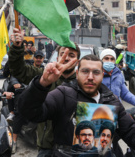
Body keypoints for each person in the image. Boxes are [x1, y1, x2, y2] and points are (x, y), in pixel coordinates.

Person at [18, 53, 135, 157]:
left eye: (96, 72)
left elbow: (130, 130)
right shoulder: (63, 94)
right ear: (77, 73)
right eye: (85, 71)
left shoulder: (111, 100)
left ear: (102, 75)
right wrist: (42, 83)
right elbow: (31, 112)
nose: (90, 77)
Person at [9, 27, 81, 156]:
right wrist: (17, 47)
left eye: (72, 55)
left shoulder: (84, 83)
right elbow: (19, 70)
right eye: (63, 54)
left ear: (78, 61)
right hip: (46, 146)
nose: (66, 58)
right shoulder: (45, 76)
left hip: (72, 148)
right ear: (57, 57)